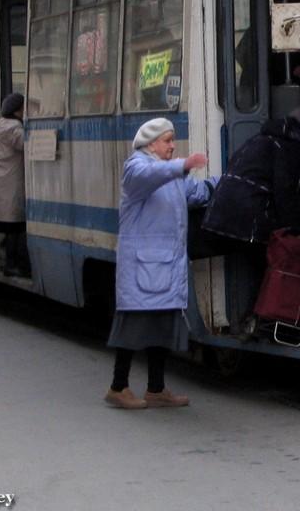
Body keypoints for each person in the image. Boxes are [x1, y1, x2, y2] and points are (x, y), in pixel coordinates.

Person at [105, 118, 215, 410]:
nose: (172, 146)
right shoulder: (136, 167)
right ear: (151, 143)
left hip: (164, 266)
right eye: (167, 141)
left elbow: (197, 192)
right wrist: (182, 165)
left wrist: (227, 182)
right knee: (133, 327)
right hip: (142, 266)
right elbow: (150, 175)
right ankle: (118, 386)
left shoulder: (171, 175)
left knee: (162, 326)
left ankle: (156, 389)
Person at [200, 107, 300, 245]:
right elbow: (285, 192)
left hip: (219, 214)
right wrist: (295, 230)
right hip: (247, 217)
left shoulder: (261, 139)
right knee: (263, 256)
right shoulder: (286, 148)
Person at [0, 92, 30, 278]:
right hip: (8, 182)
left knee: (9, 224)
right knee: (15, 225)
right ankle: (12, 264)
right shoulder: (14, 129)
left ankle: (8, 262)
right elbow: (27, 144)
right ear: (18, 110)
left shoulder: (1, 124)